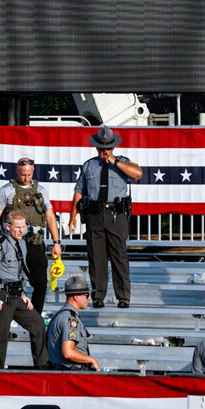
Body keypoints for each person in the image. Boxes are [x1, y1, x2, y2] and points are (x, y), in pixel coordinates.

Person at [69, 125, 143, 309]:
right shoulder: (89, 165)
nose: (105, 151)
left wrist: (115, 162)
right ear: (96, 148)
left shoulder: (123, 163)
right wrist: (73, 217)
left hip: (116, 216)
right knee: (96, 258)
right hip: (94, 215)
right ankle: (98, 296)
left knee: (119, 256)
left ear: (113, 148)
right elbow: (79, 192)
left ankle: (123, 297)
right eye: (102, 148)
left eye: (108, 148)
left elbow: (138, 174)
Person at [0, 157, 62, 315]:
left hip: (35, 242)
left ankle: (34, 316)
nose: (26, 178)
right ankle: (12, 314)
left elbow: (49, 216)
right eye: (22, 175)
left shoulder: (41, 191)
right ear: (17, 171)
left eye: (28, 175)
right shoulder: (6, 190)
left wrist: (56, 242)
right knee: (12, 282)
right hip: (12, 245)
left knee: (40, 284)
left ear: (33, 171)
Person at [0, 210, 49, 370]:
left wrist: (24, 294)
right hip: (0, 294)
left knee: (38, 324)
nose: (21, 230)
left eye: (24, 226)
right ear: (8, 226)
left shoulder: (21, 243)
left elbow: (21, 271)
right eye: (17, 227)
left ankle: (42, 367)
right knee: (0, 335)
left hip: (15, 294)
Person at [47, 276, 100, 371]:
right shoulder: (71, 319)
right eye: (87, 295)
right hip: (71, 373)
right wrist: (91, 360)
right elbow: (68, 352)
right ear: (76, 297)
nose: (89, 299)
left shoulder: (60, 315)